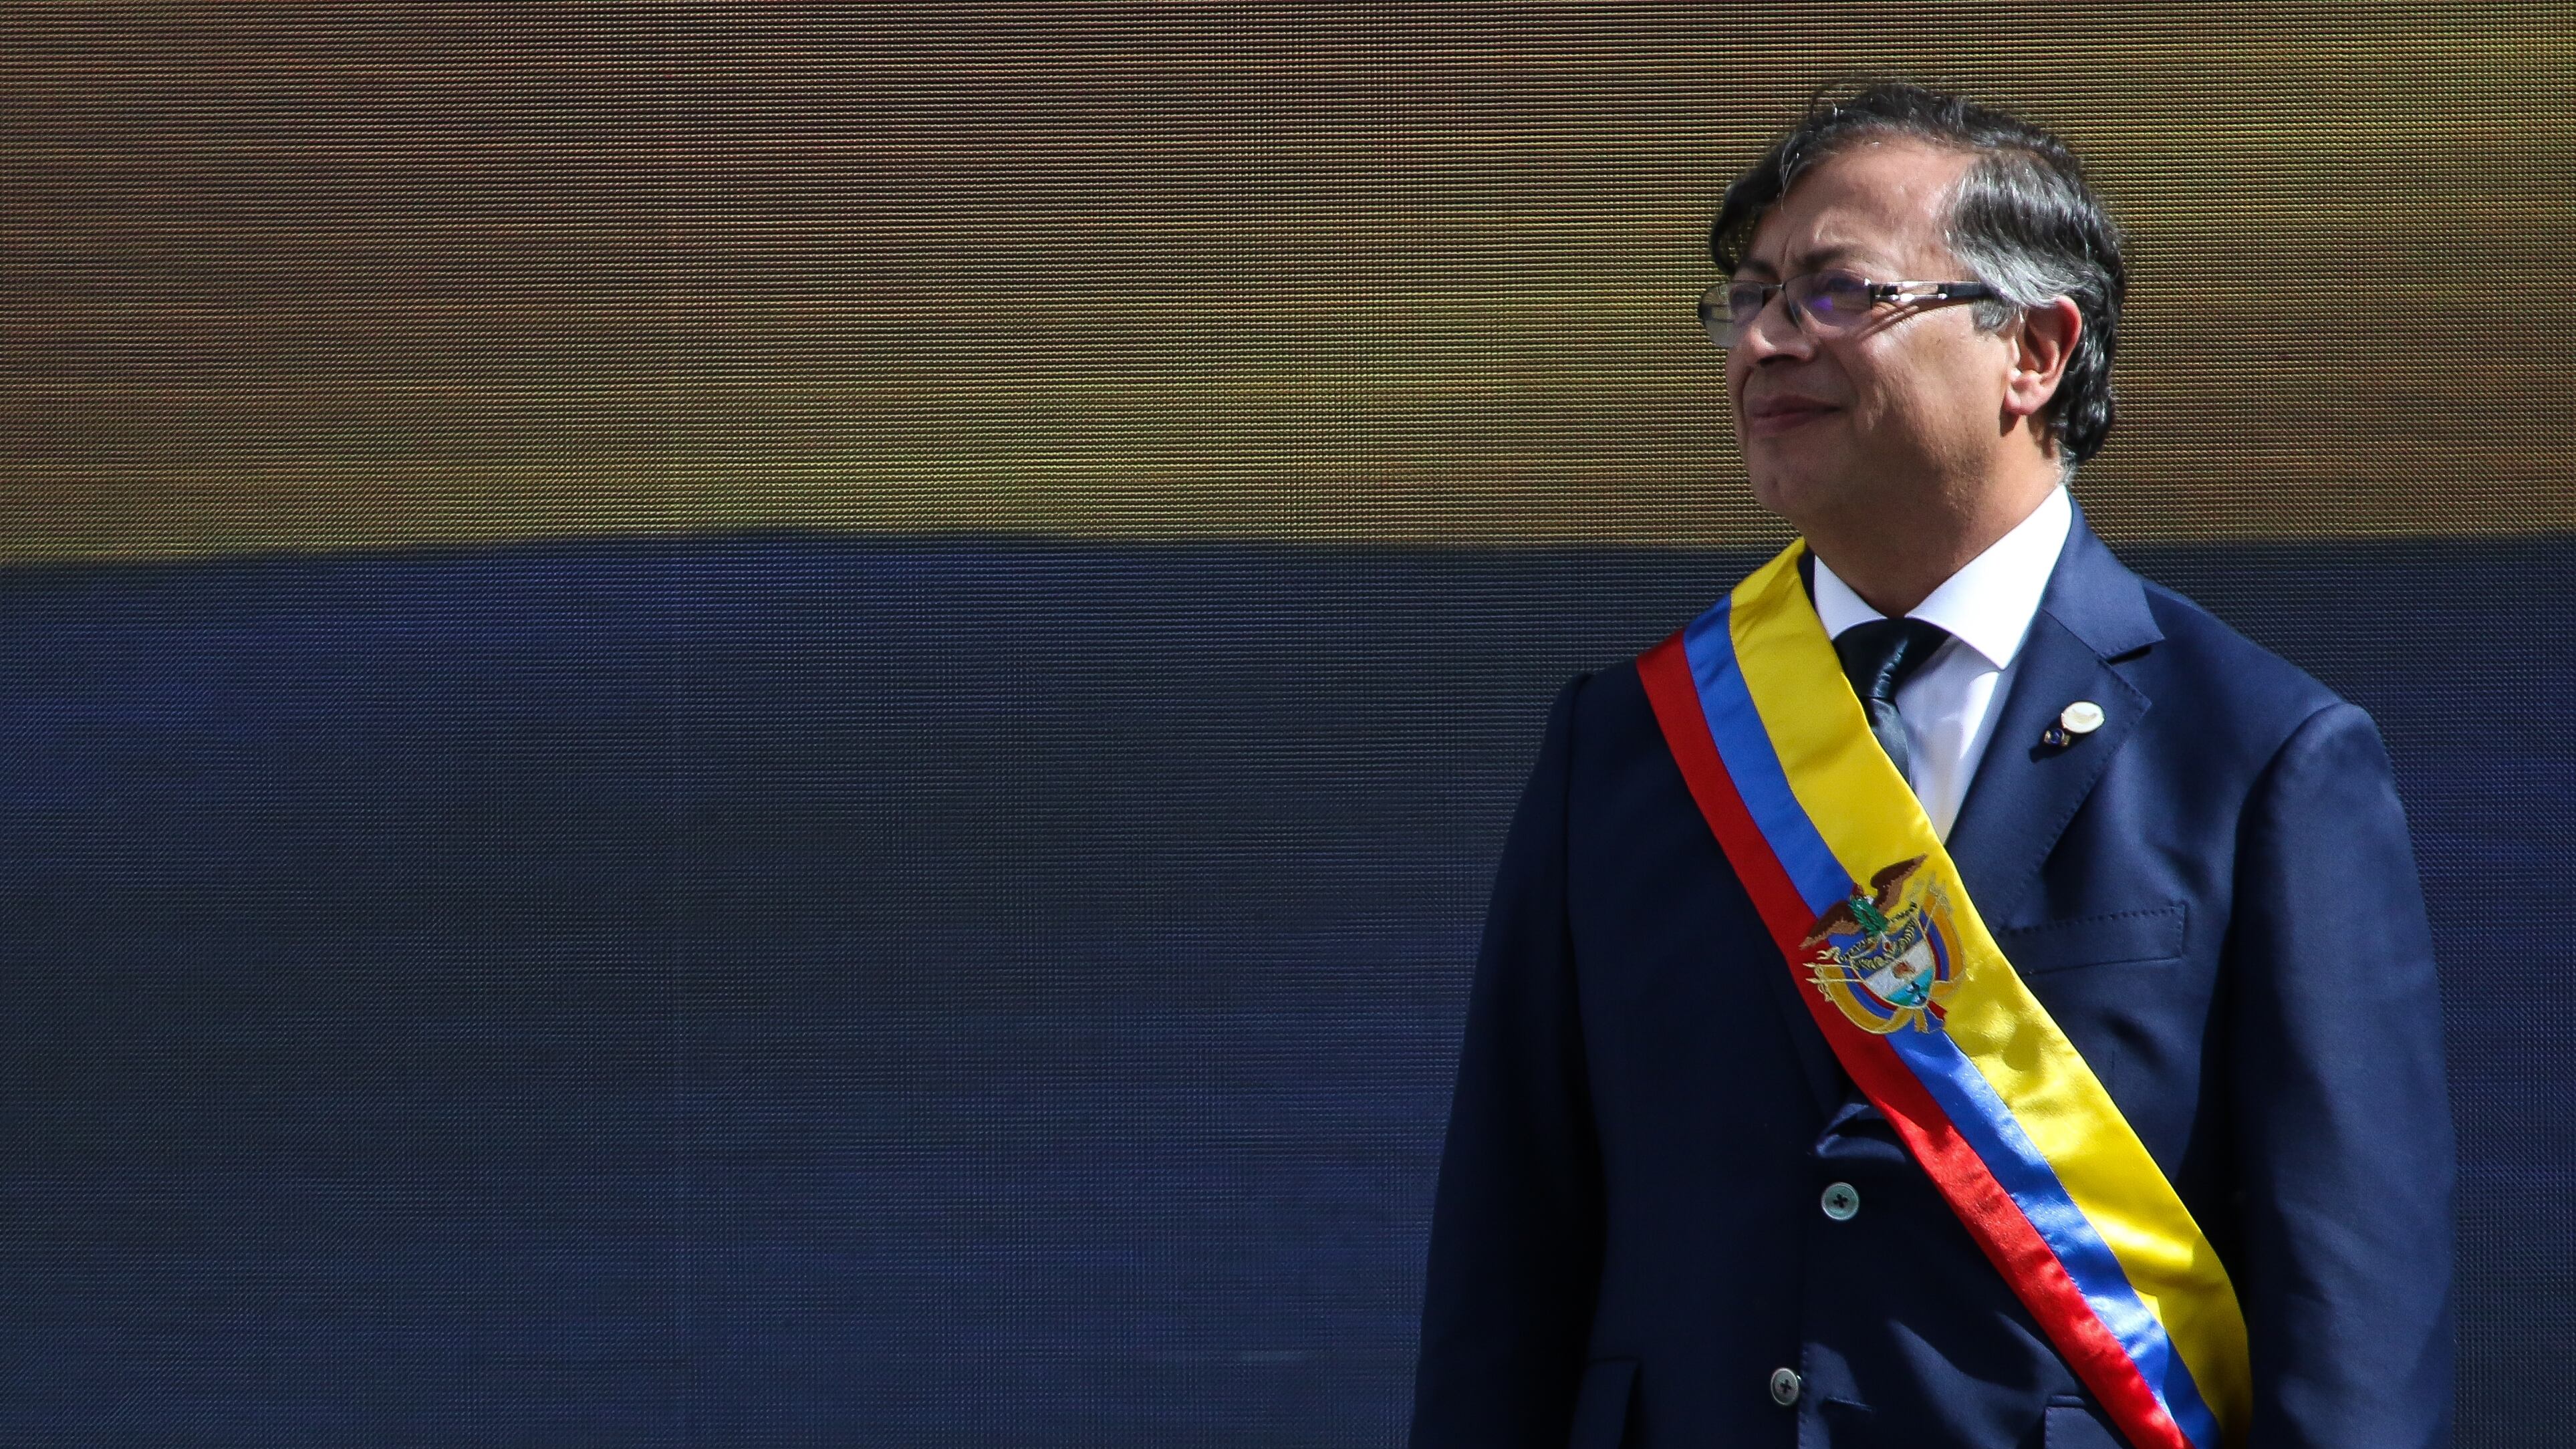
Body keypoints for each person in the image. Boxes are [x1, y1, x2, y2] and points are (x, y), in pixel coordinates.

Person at [1408, 84, 2452, 1448]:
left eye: (1837, 293)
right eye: (1750, 297)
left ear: (2033, 350)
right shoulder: (1627, 740)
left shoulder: (2261, 755)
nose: (1765, 339)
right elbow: (1508, 1254)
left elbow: (2355, 1312)